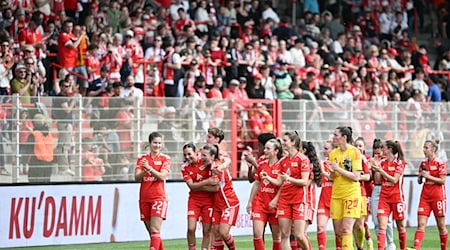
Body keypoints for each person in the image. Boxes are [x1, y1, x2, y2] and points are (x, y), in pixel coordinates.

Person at [264, 132, 310, 250]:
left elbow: (304, 182)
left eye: (285, 141)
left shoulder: (303, 159)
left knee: (299, 235)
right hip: (284, 200)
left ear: (293, 142)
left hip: (299, 199)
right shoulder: (283, 161)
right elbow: (279, 182)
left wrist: (289, 179)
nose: (282, 143)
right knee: (285, 234)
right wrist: (267, 177)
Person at [327, 126, 363, 250]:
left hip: (351, 194)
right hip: (336, 195)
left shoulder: (354, 152)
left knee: (346, 229)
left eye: (336, 135)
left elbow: (356, 177)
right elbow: (333, 177)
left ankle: (361, 245)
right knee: (338, 232)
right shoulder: (333, 154)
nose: (333, 137)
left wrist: (338, 169)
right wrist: (331, 172)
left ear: (344, 137)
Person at [135, 132, 171, 250]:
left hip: (158, 198)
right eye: (155, 143)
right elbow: (136, 177)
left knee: (155, 230)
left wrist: (149, 168)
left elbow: (162, 176)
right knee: (153, 234)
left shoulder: (165, 159)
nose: (157, 145)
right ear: (149, 143)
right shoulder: (142, 159)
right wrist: (145, 171)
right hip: (144, 198)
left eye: (160, 143)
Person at [246, 138, 283, 250]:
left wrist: (276, 200)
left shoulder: (281, 165)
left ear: (276, 151)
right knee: (257, 234)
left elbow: (281, 185)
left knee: (277, 237)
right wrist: (250, 202)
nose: (265, 150)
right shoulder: (261, 164)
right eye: (265, 148)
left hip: (275, 204)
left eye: (268, 148)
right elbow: (256, 184)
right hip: (260, 203)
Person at [181, 143, 219, 250]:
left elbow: (215, 187)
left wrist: (198, 186)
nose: (187, 157)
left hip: (208, 201)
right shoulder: (185, 167)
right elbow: (191, 186)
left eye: (189, 154)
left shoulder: (206, 161)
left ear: (196, 152)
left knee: (207, 230)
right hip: (194, 201)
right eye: (185, 155)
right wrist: (207, 181)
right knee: (191, 228)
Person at [370, 140, 407, 250]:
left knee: (400, 226)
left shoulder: (399, 163)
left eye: (384, 147)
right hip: (384, 198)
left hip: (397, 197)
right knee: (382, 227)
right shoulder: (382, 162)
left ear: (390, 149)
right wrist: (376, 168)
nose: (382, 150)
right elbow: (377, 180)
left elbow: (394, 180)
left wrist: (381, 171)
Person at [201, 144, 239, 250]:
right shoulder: (215, 163)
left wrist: (197, 187)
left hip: (229, 203)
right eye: (201, 155)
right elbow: (227, 159)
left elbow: (216, 188)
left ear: (212, 156)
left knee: (223, 232)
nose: (202, 158)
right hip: (218, 205)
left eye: (204, 155)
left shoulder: (215, 167)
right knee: (217, 233)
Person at [413, 140, 448, 250]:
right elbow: (420, 181)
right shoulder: (423, 163)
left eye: (426, 147)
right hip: (425, 197)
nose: (424, 150)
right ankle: (416, 248)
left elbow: (442, 181)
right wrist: (420, 177)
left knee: (441, 226)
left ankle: (444, 248)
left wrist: (428, 176)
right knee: (421, 224)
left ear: (433, 149)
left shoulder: (440, 163)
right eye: (423, 147)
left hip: (438, 197)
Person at [369, 138, 396, 250]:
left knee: (386, 219)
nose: (377, 156)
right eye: (375, 154)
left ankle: (390, 242)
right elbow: (374, 179)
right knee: (376, 220)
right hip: (376, 190)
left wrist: (378, 167)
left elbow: (383, 178)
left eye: (379, 154)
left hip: (386, 189)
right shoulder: (372, 161)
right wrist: (373, 168)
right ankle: (382, 244)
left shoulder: (386, 161)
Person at [316, 141, 339, 250]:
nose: (324, 151)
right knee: (320, 227)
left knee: (339, 232)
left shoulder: (338, 164)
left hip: (336, 201)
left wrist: (323, 171)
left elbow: (334, 178)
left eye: (326, 148)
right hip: (323, 201)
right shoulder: (322, 164)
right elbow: (320, 183)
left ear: (333, 150)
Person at [301, 141, 323, 250]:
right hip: (300, 201)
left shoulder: (308, 165)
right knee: (297, 234)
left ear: (304, 151)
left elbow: (305, 184)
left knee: (301, 233)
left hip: (307, 202)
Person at [353, 137, 374, 250]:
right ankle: (359, 247)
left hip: (365, 193)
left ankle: (369, 240)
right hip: (351, 193)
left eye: (360, 146)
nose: (358, 148)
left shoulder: (366, 159)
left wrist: (358, 176)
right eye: (356, 146)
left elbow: (368, 176)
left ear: (364, 148)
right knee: (353, 225)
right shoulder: (351, 157)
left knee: (361, 224)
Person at [25, 113, 53, 183]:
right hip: (48, 162)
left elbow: (28, 148)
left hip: (37, 162)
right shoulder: (49, 134)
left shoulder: (34, 134)